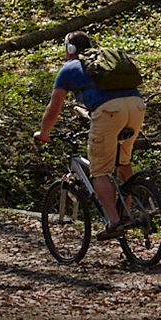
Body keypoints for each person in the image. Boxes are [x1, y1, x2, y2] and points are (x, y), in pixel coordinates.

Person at [34, 31, 146, 241]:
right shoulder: (106, 59)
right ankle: (127, 215)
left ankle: (114, 222)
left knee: (100, 171)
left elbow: (54, 107)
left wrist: (44, 133)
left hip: (109, 111)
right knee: (123, 162)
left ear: (69, 50)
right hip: (137, 106)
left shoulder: (68, 68)